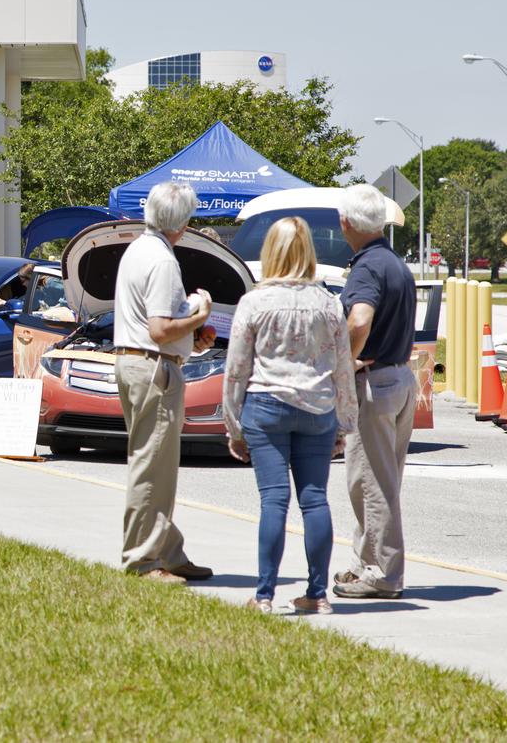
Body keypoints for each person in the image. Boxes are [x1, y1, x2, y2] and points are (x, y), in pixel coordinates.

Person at [223, 217, 357, 614]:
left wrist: (233, 423)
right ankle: (317, 595)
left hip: (266, 405)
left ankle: (264, 594)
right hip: (317, 408)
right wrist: (345, 421)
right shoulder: (328, 303)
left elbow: (237, 368)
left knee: (274, 501)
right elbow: (343, 368)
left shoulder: (255, 302)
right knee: (315, 500)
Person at [114, 182, 216, 584]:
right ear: (183, 222)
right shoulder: (162, 260)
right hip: (155, 368)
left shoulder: (138, 249)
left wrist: (192, 334)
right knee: (152, 467)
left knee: (157, 465)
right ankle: (142, 561)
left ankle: (168, 552)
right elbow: (159, 329)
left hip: (138, 364)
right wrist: (199, 312)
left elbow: (155, 324)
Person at [333, 184, 417, 600]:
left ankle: (384, 573)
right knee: (378, 480)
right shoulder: (395, 263)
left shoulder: (366, 268)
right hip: (400, 379)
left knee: (371, 483)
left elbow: (359, 319)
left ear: (346, 223)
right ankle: (364, 561)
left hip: (376, 383)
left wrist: (344, 364)